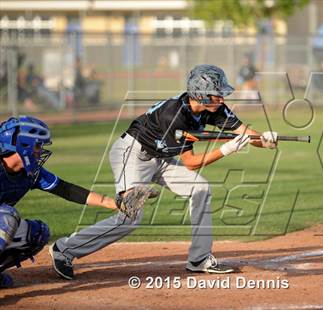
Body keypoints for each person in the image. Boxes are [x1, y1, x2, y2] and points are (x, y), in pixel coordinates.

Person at [49, 64, 278, 279]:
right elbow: (190, 162)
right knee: (130, 218)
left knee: (201, 189)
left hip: (161, 156)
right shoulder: (174, 115)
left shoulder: (214, 108)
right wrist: (225, 150)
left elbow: (245, 132)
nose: (221, 98)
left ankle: (199, 259)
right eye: (216, 93)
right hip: (133, 154)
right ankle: (65, 249)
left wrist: (264, 139)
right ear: (200, 94)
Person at [0, 116, 117, 288]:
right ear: (23, 146)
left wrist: (111, 203)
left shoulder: (31, 174)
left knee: (37, 234)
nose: (40, 152)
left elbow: (66, 189)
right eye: (38, 146)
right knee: (8, 217)